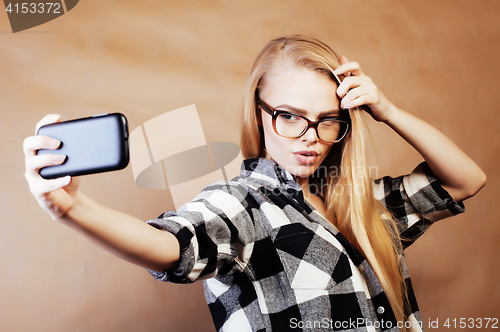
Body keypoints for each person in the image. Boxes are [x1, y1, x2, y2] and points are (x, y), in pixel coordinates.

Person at [23, 35, 486, 332]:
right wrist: (71, 210)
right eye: (290, 117)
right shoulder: (241, 206)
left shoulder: (363, 206)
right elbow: (171, 245)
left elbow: (467, 180)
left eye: (328, 121)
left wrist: (385, 109)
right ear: (260, 114)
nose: (311, 138)